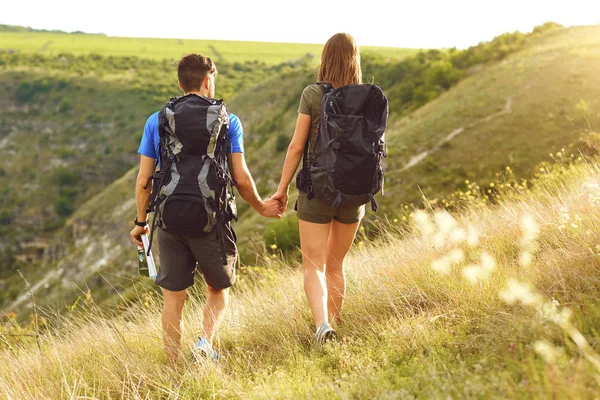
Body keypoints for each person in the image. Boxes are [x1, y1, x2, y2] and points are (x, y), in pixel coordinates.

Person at [130, 54, 282, 365]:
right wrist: (262, 207)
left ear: (179, 84)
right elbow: (240, 176)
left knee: (173, 298)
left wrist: (140, 222)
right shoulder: (229, 120)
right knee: (217, 288)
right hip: (212, 220)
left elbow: (144, 179)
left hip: (169, 219)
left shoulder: (156, 120)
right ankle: (204, 343)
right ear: (207, 81)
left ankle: (172, 364)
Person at [272, 33, 365, 344]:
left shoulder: (313, 94)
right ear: (355, 60)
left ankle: (323, 327)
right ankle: (334, 326)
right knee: (336, 264)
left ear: (326, 59)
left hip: (317, 192)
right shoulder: (367, 98)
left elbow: (297, 147)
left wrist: (282, 189)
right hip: (354, 193)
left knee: (314, 265)